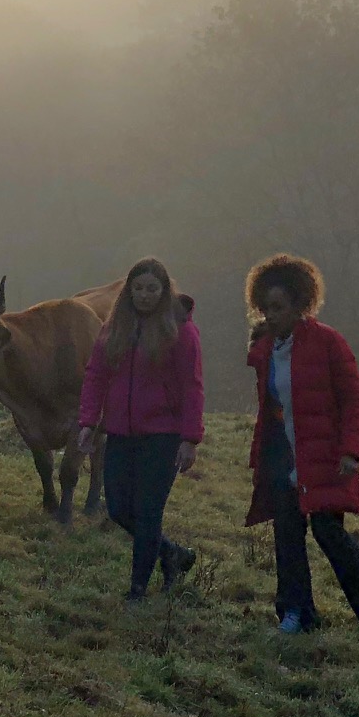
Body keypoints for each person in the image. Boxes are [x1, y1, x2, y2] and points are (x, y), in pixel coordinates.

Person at [243, 253, 359, 636]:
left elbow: (353, 400)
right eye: (265, 308)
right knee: (287, 537)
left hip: (324, 458)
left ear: (299, 304)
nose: (270, 315)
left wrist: (350, 451)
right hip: (281, 458)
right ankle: (295, 613)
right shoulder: (265, 351)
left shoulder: (329, 342)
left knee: (330, 534)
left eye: (278, 307)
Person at [76, 257, 203, 604]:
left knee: (148, 512)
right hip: (120, 432)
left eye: (152, 289)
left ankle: (137, 589)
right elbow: (96, 373)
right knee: (117, 509)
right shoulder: (115, 326)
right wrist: (89, 421)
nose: (144, 295)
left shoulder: (180, 330)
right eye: (138, 288)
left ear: (164, 292)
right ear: (128, 291)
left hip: (163, 435)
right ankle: (173, 554)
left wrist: (190, 439)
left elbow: (192, 386)